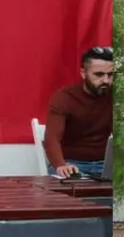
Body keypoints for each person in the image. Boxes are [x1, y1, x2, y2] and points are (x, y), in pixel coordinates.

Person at [42, 46, 113, 179]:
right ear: (83, 73)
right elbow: (52, 139)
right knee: (65, 184)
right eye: (98, 74)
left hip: (106, 164)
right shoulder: (64, 97)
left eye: (110, 75)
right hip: (72, 164)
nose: (106, 80)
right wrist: (61, 165)